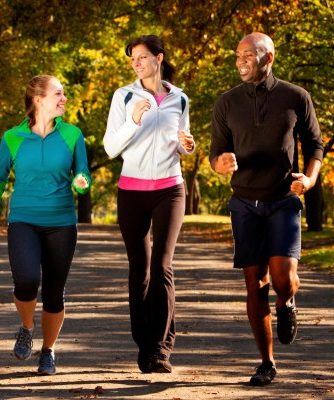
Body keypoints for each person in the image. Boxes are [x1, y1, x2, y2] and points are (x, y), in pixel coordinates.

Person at [210, 32, 323, 386]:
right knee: (254, 285)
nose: (240, 60)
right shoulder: (226, 102)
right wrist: (220, 165)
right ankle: (267, 362)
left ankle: (287, 303)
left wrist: (310, 179)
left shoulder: (295, 97)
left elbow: (316, 144)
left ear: (268, 58)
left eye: (248, 54)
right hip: (243, 202)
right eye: (237, 54)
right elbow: (216, 153)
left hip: (283, 201)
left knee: (281, 279)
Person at [103, 35, 194, 373]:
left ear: (159, 58)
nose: (136, 63)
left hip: (170, 189)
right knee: (139, 269)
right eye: (132, 59)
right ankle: (144, 344)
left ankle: (161, 349)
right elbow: (112, 147)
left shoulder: (180, 99)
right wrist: (134, 121)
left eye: (142, 57)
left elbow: (181, 143)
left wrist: (188, 146)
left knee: (163, 266)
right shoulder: (124, 96)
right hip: (132, 191)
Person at [0, 75, 91, 375]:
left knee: (54, 291)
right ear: (38, 99)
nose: (64, 99)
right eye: (59, 94)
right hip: (23, 218)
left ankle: (48, 351)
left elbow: (83, 175)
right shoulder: (12, 137)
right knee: (26, 281)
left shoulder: (72, 134)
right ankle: (27, 326)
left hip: (61, 222)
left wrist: (81, 183)